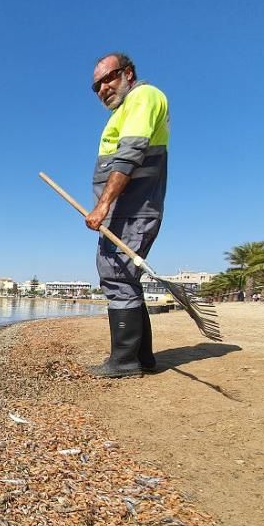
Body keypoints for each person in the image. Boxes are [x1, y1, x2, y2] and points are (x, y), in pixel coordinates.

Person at [86, 52, 169, 377]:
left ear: (128, 73)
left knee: (117, 276)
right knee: (126, 278)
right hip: (128, 212)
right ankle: (142, 357)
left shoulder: (143, 97)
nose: (103, 88)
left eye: (108, 77)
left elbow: (130, 154)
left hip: (131, 212)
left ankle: (123, 361)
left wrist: (103, 205)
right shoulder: (127, 109)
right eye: (96, 86)